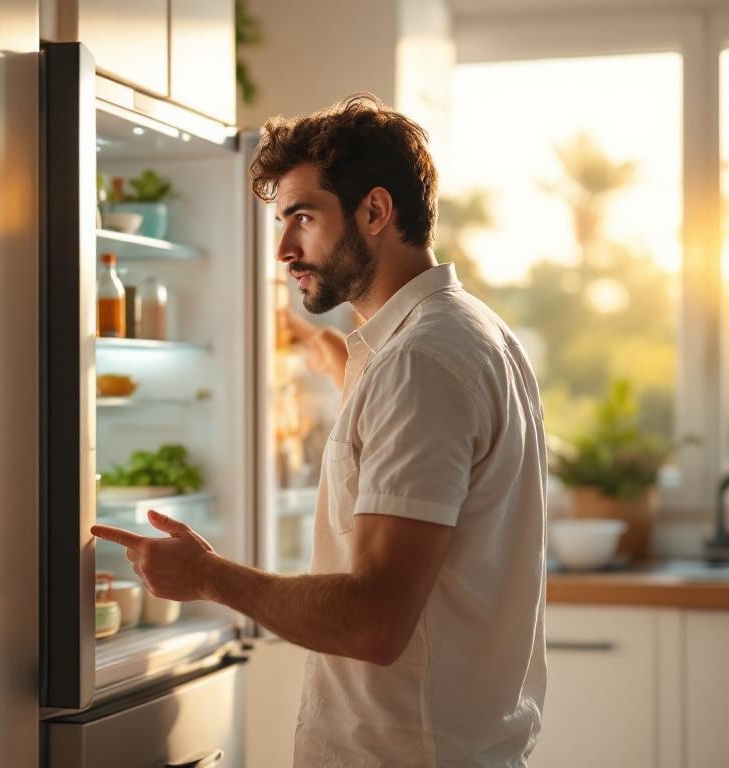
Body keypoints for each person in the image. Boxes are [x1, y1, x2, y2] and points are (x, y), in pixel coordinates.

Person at [92, 94, 547, 767]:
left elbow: (374, 618)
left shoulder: (419, 363)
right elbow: (406, 440)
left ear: (374, 211)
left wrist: (207, 576)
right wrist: (335, 360)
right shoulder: (466, 332)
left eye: (302, 217)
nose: (281, 248)